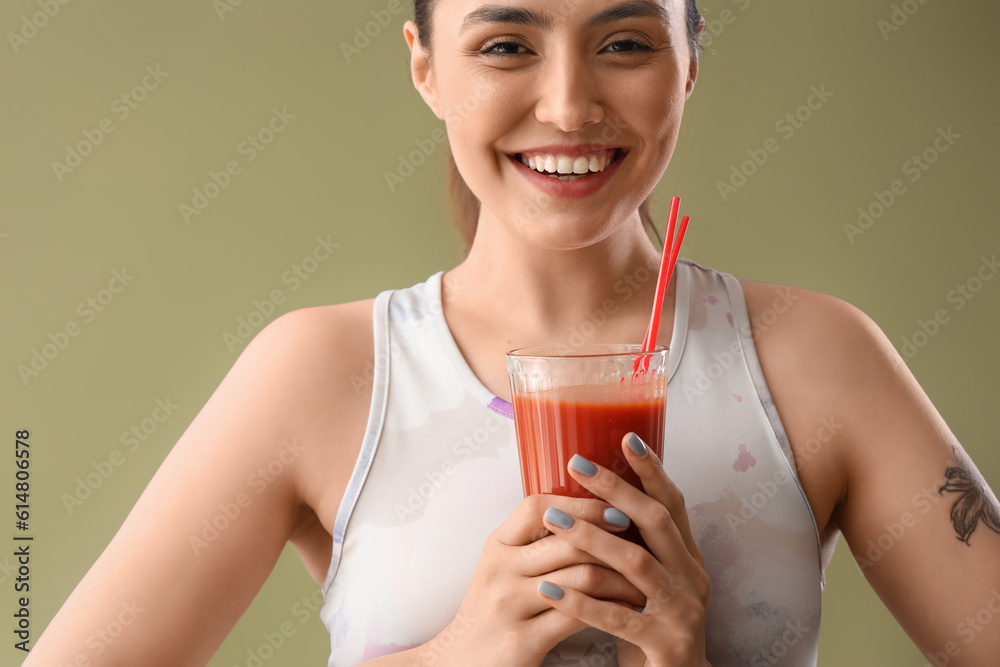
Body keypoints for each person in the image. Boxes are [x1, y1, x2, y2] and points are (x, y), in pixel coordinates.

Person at [24, 1, 1000, 665]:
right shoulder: (324, 374)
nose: (570, 104)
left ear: (690, 62)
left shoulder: (813, 359)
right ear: (424, 65)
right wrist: (456, 653)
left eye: (625, 41)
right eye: (505, 44)